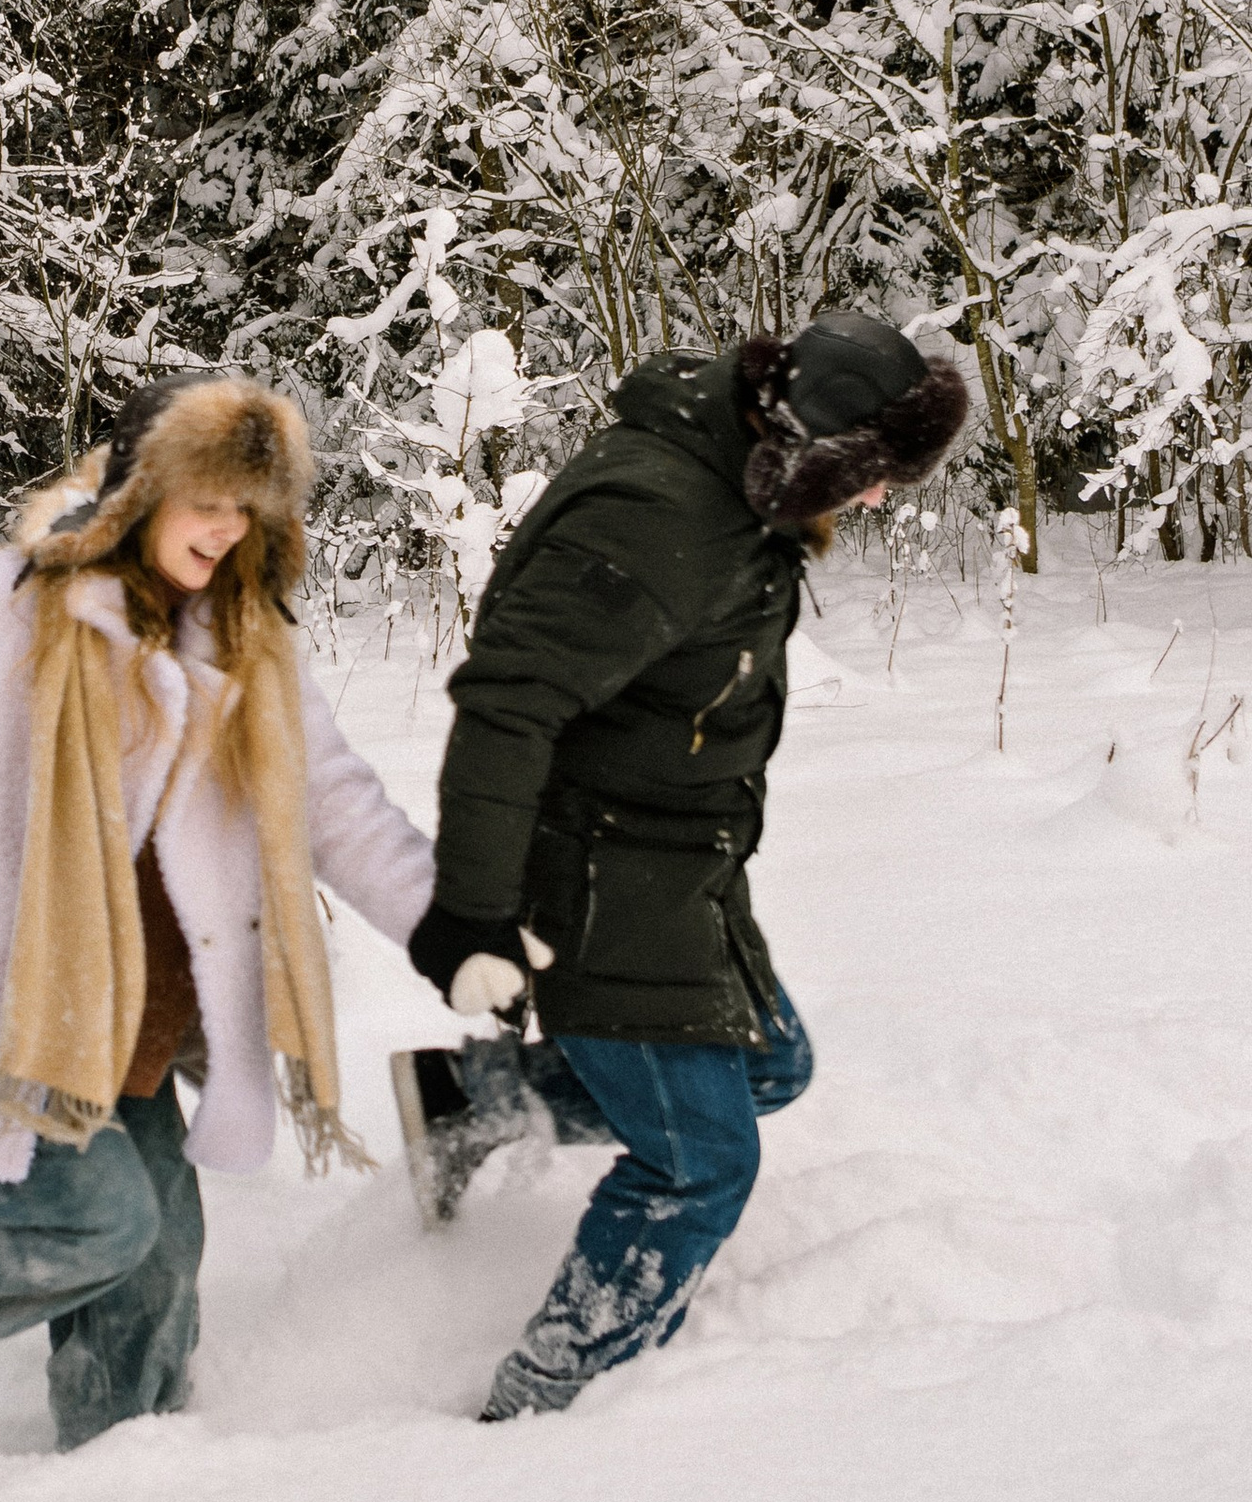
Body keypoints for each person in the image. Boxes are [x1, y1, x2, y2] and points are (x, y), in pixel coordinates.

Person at [0, 377, 434, 1449]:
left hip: (132, 1022)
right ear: (138, 491)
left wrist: (445, 924)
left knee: (153, 1263)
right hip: (7, 1005)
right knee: (93, 1219)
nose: (226, 528)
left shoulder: (243, 642)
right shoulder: (6, 602)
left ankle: (118, 1465)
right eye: (207, 497)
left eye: (249, 508)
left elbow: (333, 802)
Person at [407, 308, 971, 1421]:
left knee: (772, 1065)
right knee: (698, 1165)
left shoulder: (726, 477)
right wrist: (471, 911)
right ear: (815, 443)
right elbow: (509, 704)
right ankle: (541, 1404)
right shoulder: (657, 517)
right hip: (603, 876)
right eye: (871, 477)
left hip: (681, 863)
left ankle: (464, 1103)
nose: (877, 501)